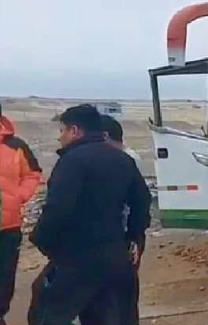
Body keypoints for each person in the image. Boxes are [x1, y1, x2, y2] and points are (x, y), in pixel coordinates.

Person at [28, 104, 151, 325]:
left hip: (75, 258)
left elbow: (58, 208)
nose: (60, 137)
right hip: (114, 256)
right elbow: (142, 201)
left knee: (48, 315)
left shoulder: (72, 161)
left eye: (62, 130)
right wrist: (133, 236)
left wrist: (41, 240)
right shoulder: (123, 160)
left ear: (75, 131)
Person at [0, 102, 43, 325]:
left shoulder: (16, 146)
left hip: (7, 227)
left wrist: (19, 196)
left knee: (4, 280)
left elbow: (33, 173)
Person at [99, 114, 142, 325]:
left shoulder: (122, 162)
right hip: (126, 240)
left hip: (118, 241)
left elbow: (137, 203)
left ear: (105, 136)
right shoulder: (125, 159)